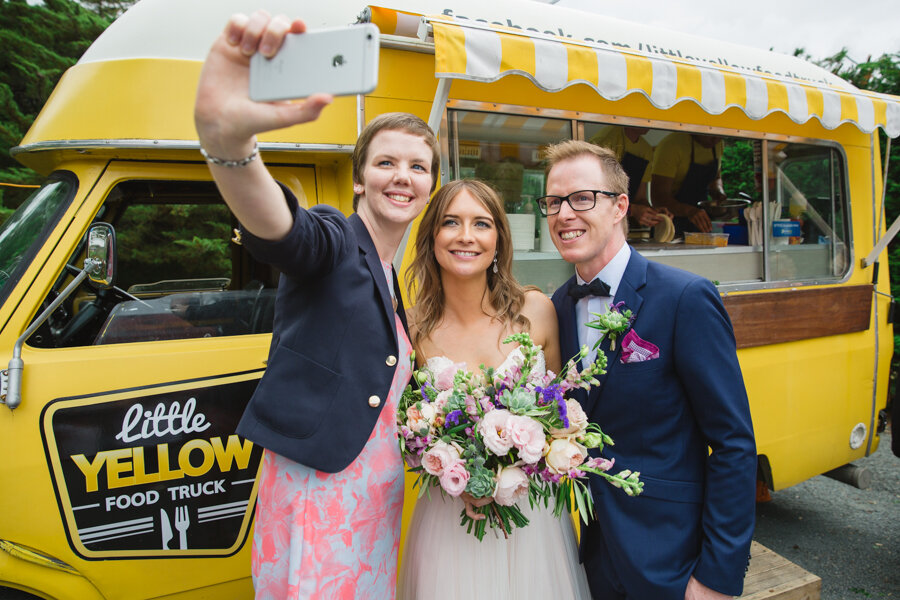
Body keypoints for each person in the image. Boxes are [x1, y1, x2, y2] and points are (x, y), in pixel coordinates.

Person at [193, 12, 439, 598]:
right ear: (359, 180)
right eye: (386, 162)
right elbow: (284, 230)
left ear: (430, 184)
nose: (401, 177)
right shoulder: (335, 239)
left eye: (418, 166)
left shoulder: (390, 271)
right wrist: (229, 146)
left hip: (375, 492)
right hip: (320, 486)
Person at [541, 140, 757, 599]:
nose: (564, 214)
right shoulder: (555, 308)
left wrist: (716, 577)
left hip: (673, 561)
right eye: (553, 202)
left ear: (621, 206)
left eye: (582, 198)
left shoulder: (685, 298)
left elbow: (734, 445)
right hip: (593, 558)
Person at [397, 179, 591, 600]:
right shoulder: (410, 329)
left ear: (499, 240)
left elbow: (557, 413)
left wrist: (523, 460)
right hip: (449, 520)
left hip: (533, 520)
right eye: (451, 222)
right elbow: (407, 429)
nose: (466, 236)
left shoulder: (537, 312)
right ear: (431, 237)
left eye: (481, 224)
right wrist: (456, 468)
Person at [590, 125, 671, 228]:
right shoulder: (606, 141)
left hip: (625, 226)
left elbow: (640, 198)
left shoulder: (645, 149)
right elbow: (597, 198)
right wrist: (632, 210)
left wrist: (654, 213)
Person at [650, 132, 727, 234]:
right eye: (711, 134)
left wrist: (718, 191)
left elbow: (716, 178)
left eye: (720, 135)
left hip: (701, 222)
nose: (716, 139)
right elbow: (658, 198)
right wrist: (689, 211)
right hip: (670, 225)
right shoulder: (671, 145)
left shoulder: (717, 144)